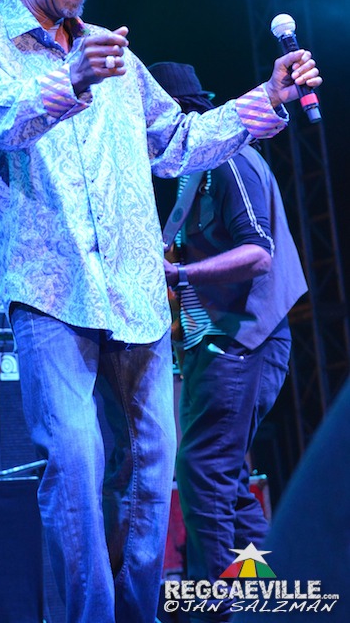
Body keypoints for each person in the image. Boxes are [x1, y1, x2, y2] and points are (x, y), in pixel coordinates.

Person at [0, 0, 321, 623]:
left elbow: (177, 142)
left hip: (135, 291)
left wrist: (266, 99)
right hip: (50, 288)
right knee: (77, 465)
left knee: (152, 475)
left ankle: (139, 613)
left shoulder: (114, 55)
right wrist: (72, 79)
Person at [149, 60, 308, 623]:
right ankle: (269, 606)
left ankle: (213, 614)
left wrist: (178, 275)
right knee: (227, 483)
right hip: (215, 344)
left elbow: (258, 253)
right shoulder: (197, 173)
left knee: (204, 475)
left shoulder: (227, 159)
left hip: (242, 341)